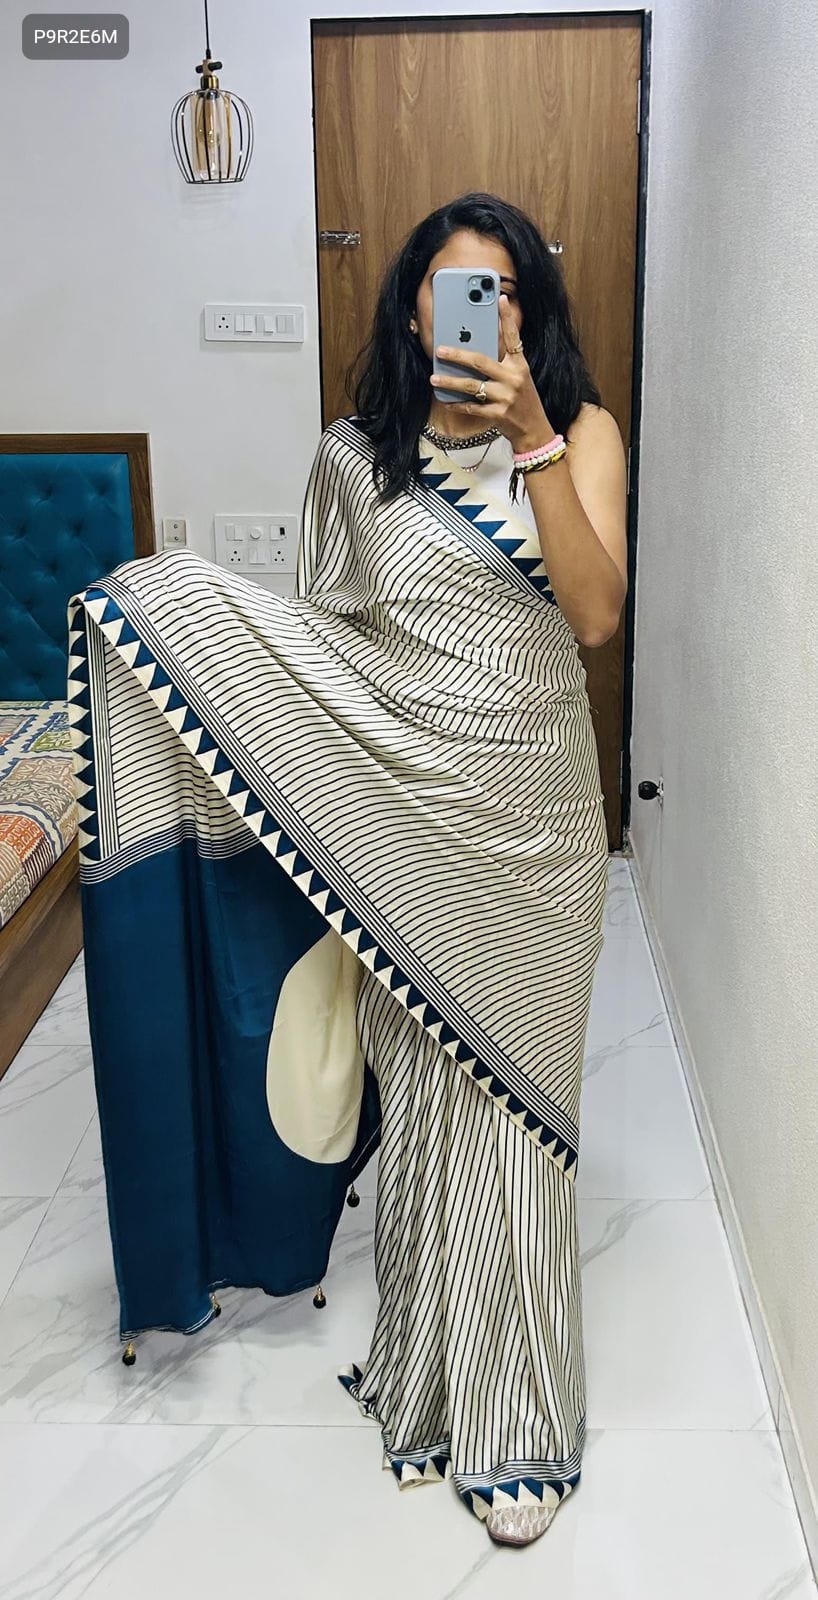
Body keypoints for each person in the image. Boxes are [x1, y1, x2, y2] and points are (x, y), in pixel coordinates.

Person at [312, 191, 628, 1546]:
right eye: (450, 293)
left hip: (540, 830)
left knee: (517, 1113)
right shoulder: (351, 459)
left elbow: (596, 615)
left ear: (526, 317)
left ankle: (521, 1417)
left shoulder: (582, 433)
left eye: (497, 297)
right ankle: (433, 1377)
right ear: (409, 314)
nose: (472, 321)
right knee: (428, 1105)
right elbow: (326, 647)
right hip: (404, 819)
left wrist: (532, 437)